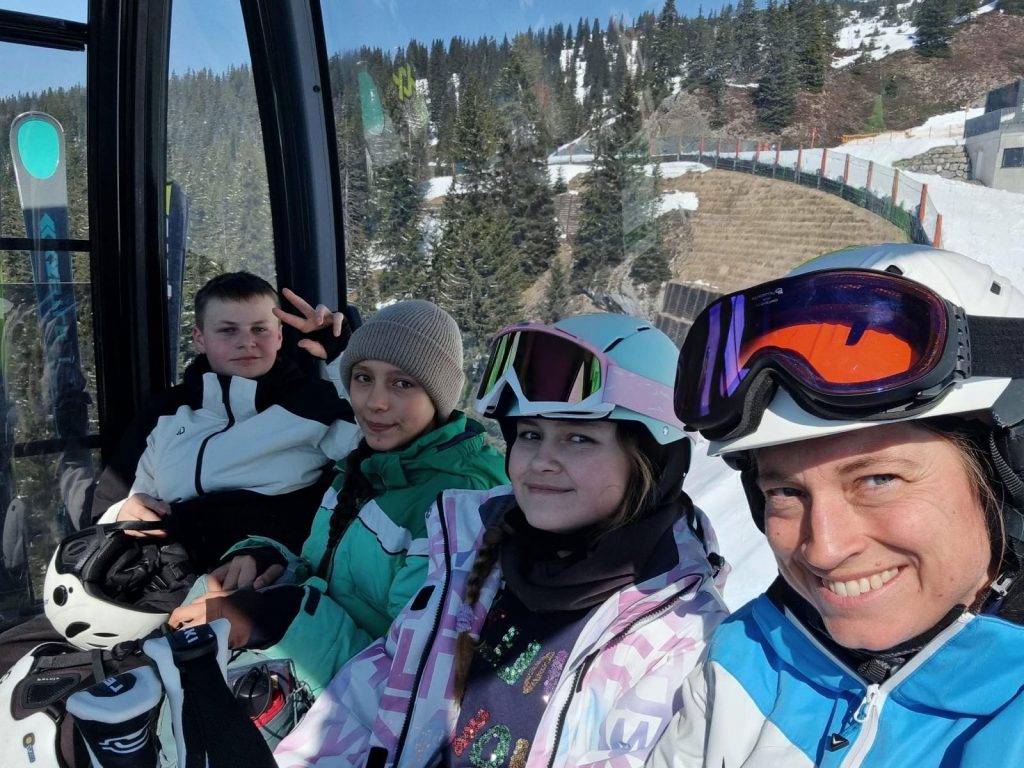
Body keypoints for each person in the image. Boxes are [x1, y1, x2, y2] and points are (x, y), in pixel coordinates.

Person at [274, 313, 730, 768]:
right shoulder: (473, 554)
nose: (541, 460)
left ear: (653, 458)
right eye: (530, 434)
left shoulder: (680, 636)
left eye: (578, 438)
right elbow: (372, 695)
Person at [649, 243, 1024, 767]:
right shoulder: (744, 657)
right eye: (785, 492)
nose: (824, 549)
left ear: (1005, 479)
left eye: (877, 479)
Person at [167, 299, 508, 702]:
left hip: (350, 715)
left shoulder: (458, 506)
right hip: (311, 680)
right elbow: (325, 579)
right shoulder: (367, 464)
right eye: (363, 378)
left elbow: (414, 687)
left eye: (402, 383)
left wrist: (278, 620)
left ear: (439, 395)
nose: (375, 402)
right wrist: (268, 561)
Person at [94, 271, 361, 564]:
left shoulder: (315, 405)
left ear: (280, 336)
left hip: (273, 571)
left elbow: (378, 442)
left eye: (260, 329)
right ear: (199, 339)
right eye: (228, 330)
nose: (247, 342)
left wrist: (343, 357)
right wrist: (121, 514)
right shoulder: (165, 413)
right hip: (169, 572)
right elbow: (110, 505)